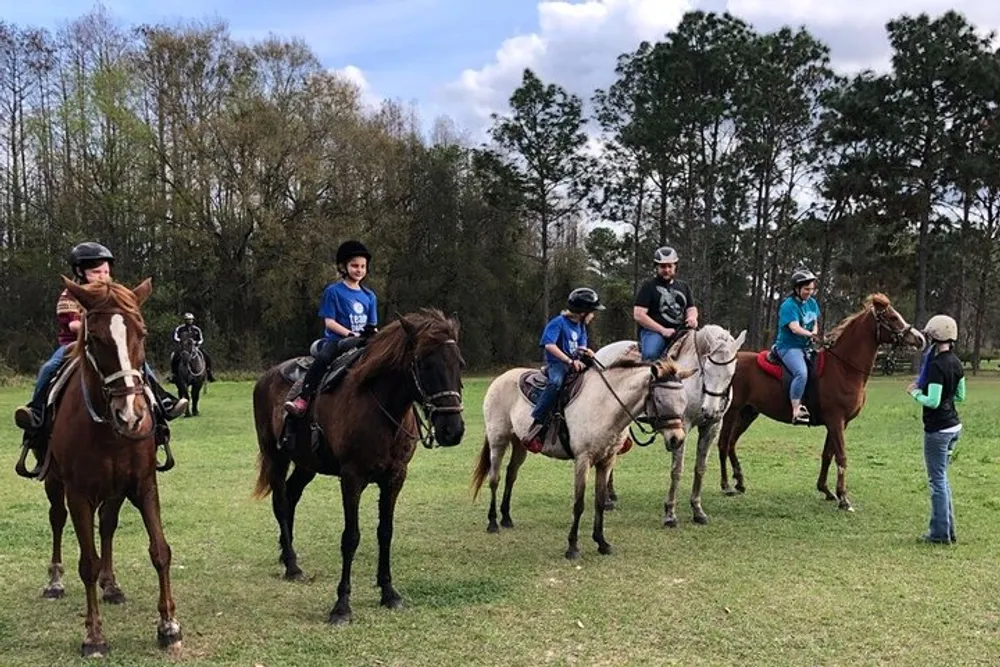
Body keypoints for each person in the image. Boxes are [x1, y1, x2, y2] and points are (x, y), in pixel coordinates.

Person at [13, 242, 187, 439]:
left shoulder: (114, 295)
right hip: (73, 344)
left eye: (105, 271)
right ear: (80, 271)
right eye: (96, 272)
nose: (103, 276)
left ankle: (163, 401)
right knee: (49, 367)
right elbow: (72, 325)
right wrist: (97, 328)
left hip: (108, 344)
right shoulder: (70, 295)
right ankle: (36, 410)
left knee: (141, 367)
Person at [284, 240, 378, 417]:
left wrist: (373, 334)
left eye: (363, 266)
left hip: (362, 343)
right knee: (323, 360)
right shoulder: (333, 291)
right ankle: (303, 399)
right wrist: (351, 334)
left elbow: (372, 324)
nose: (359, 270)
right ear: (344, 267)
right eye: (354, 265)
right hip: (337, 341)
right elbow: (330, 322)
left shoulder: (369, 296)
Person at [521, 288, 604, 453]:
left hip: (575, 363)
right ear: (583, 312)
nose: (593, 316)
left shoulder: (581, 326)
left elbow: (581, 345)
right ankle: (538, 421)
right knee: (555, 383)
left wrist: (587, 353)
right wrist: (568, 360)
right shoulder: (558, 323)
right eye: (592, 312)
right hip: (557, 364)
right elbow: (549, 344)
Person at [907, 314, 965, 545]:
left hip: (938, 431)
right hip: (954, 427)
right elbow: (960, 396)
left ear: (935, 337)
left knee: (937, 481)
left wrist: (914, 392)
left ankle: (940, 534)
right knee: (942, 479)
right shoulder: (957, 363)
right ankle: (947, 529)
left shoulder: (936, 366)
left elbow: (932, 401)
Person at [773, 266, 822, 425]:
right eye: (806, 289)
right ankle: (796, 409)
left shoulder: (812, 303)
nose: (810, 292)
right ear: (797, 289)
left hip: (806, 347)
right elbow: (794, 328)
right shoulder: (788, 305)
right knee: (801, 373)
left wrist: (814, 332)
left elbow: (815, 323)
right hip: (788, 347)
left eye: (812, 289)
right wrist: (811, 335)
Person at [633, 246, 698, 361]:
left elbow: (691, 308)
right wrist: (662, 330)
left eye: (670, 266)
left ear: (675, 266)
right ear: (656, 267)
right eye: (663, 266)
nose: (667, 270)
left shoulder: (684, 286)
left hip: (681, 331)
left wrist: (692, 318)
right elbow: (639, 314)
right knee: (650, 354)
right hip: (654, 332)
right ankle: (649, 377)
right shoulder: (648, 286)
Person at [170, 312, 216, 382]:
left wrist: (196, 342)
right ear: (185, 320)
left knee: (207, 355)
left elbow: (201, 339)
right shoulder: (179, 328)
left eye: (191, 319)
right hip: (183, 348)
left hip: (195, 348)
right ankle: (174, 374)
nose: (189, 321)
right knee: (173, 356)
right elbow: (175, 337)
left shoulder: (196, 329)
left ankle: (209, 373)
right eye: (187, 320)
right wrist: (182, 341)